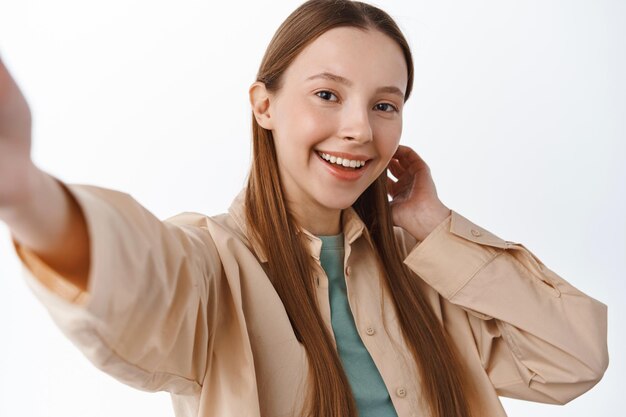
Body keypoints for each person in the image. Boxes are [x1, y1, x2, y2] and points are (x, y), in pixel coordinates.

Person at [0, 1, 608, 416]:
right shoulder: (216, 265)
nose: (359, 130)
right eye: (326, 95)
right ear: (264, 104)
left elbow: (575, 356)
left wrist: (435, 229)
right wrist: (27, 194)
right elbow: (140, 279)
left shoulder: (428, 270)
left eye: (384, 105)